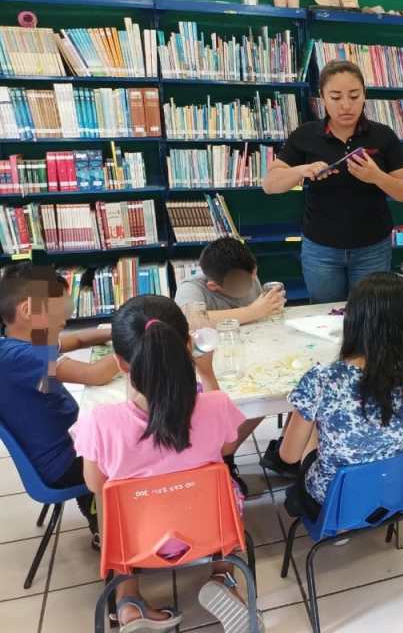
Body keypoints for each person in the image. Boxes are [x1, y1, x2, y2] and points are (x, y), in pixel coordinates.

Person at [72, 295, 258, 632]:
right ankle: (222, 577)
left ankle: (129, 601)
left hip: (137, 539)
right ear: (188, 346)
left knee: (113, 505)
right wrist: (208, 374)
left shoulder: (100, 422)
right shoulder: (214, 406)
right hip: (207, 528)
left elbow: (95, 485)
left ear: (120, 362)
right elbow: (229, 445)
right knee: (224, 487)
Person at [277, 273, 403, 520]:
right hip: (394, 495)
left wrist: (307, 411)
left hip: (335, 503)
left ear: (352, 319)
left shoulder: (322, 379)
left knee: (314, 427)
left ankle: (342, 525)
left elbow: (288, 456)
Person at [263, 60, 403, 303]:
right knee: (324, 316)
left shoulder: (383, 135)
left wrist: (376, 176)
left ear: (365, 95)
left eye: (354, 96)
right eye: (335, 97)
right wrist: (303, 170)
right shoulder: (304, 135)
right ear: (322, 97)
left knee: (371, 315)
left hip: (373, 246)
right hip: (321, 248)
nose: (346, 105)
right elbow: (270, 184)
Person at [0, 264, 120, 549]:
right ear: (29, 310)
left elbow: (77, 339)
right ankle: (105, 519)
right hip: (65, 462)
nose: (67, 318)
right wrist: (144, 340)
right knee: (140, 443)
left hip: (66, 446)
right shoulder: (21, 357)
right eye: (60, 311)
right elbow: (95, 374)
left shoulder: (20, 344)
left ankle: (94, 507)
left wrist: (117, 329)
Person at [174, 236, 284, 324]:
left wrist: (270, 306)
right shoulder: (191, 287)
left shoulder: (249, 273)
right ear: (213, 286)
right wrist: (254, 311)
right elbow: (190, 321)